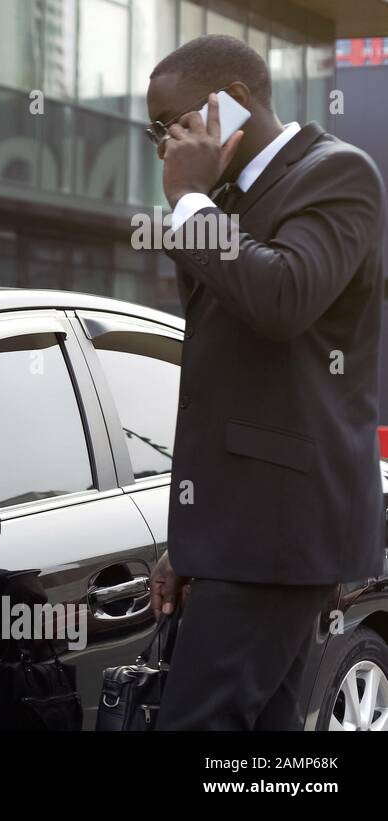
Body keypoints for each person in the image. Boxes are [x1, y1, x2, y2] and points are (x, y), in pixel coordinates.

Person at [145, 34, 386, 730]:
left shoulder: (338, 175)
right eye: (156, 131)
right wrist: (193, 539)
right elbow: (232, 378)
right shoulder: (225, 201)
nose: (166, 144)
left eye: (178, 123)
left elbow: (284, 298)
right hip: (245, 528)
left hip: (285, 528)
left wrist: (189, 202)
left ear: (236, 101)